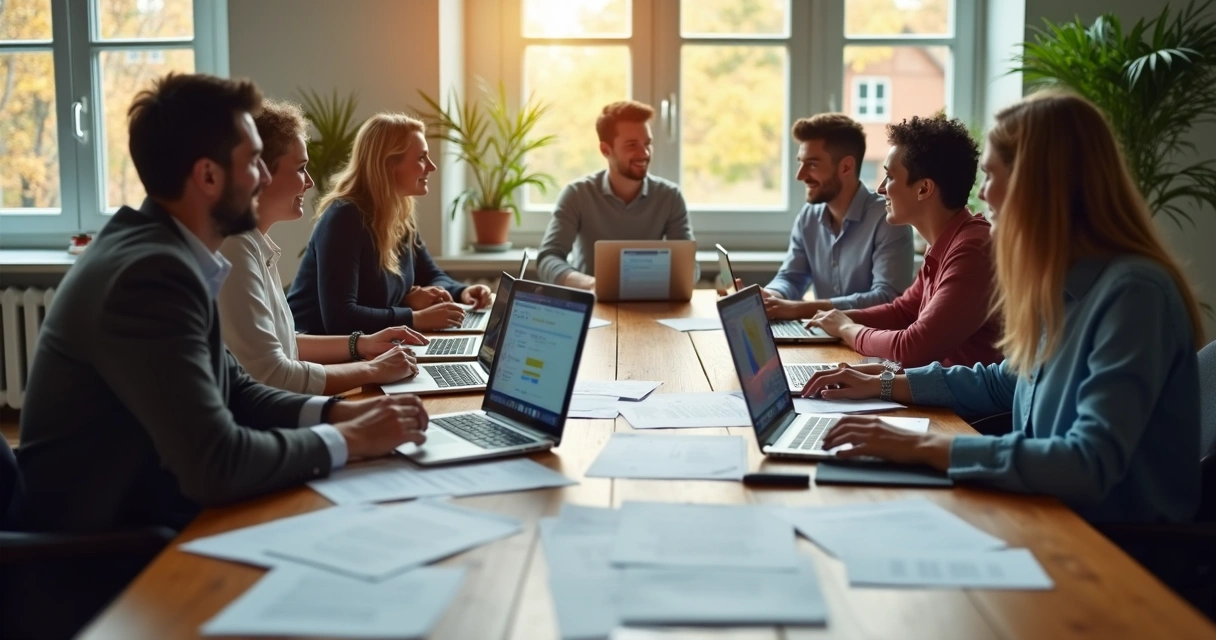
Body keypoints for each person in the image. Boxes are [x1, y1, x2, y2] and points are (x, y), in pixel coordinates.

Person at [13, 73, 430, 537]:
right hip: (99, 545)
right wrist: (348, 439)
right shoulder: (148, 276)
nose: (265, 177)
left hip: (144, 506)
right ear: (208, 176)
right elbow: (216, 463)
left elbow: (235, 388)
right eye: (253, 162)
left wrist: (337, 414)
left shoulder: (166, 252)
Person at [802, 90, 1204, 524]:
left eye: (992, 176)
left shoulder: (1134, 295)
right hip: (1042, 512)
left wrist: (921, 445)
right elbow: (1003, 382)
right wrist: (882, 383)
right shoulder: (1059, 280)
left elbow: (1088, 462)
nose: (983, 194)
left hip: (1106, 546)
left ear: (1039, 184)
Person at [218, 100, 424, 395]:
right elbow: (272, 375)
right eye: (301, 169)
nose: (310, 182)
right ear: (258, 174)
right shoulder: (233, 251)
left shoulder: (252, 245)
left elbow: (284, 344)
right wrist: (373, 370)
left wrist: (361, 344)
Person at [807, 113, 1002, 369]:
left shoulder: (972, 250)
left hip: (960, 397)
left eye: (890, 177)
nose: (880, 188)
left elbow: (912, 348)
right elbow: (904, 312)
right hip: (932, 389)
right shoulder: (946, 242)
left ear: (924, 189)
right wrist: (837, 318)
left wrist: (846, 328)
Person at [288, 113, 492, 333]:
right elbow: (341, 319)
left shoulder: (399, 214)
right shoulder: (344, 218)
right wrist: (414, 317)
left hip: (369, 345)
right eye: (421, 158)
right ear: (387, 165)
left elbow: (430, 274)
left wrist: (461, 292)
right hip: (312, 348)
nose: (431, 167)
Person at [760, 114, 913, 319]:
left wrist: (799, 309)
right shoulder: (808, 217)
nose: (800, 175)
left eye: (812, 164)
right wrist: (769, 297)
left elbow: (887, 298)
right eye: (801, 163)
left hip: (870, 336)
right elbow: (792, 278)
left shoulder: (887, 219)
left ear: (846, 167)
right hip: (825, 335)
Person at [537, 100, 697, 290]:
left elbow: (690, 267)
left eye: (647, 143)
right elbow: (548, 258)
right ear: (606, 150)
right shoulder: (577, 194)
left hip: (651, 300)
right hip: (592, 300)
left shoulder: (670, 197)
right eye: (632, 145)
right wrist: (591, 284)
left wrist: (680, 276)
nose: (644, 153)